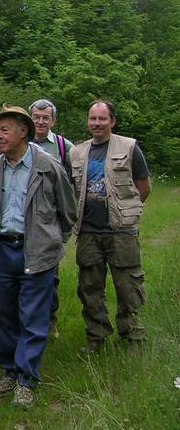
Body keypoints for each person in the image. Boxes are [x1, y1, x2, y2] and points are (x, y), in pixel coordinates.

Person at [0, 104, 76, 409]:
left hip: (36, 252)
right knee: (4, 316)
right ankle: (10, 370)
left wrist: (50, 243)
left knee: (33, 319)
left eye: (4, 130)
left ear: (23, 131)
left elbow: (67, 212)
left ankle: (27, 380)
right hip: (3, 251)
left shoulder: (47, 166)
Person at [70, 100, 151, 352]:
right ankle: (97, 337)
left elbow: (143, 187)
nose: (97, 123)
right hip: (88, 232)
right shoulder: (77, 152)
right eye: (92, 118)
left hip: (121, 232)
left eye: (102, 119)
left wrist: (125, 212)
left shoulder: (129, 147)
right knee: (89, 288)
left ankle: (133, 338)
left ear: (112, 121)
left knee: (129, 287)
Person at [29, 99, 75, 339]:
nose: (40, 121)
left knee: (50, 273)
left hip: (51, 219)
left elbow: (75, 180)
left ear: (53, 121)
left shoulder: (63, 146)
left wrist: (69, 216)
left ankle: (49, 321)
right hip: (24, 219)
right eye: (36, 116)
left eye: (45, 117)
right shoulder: (21, 142)